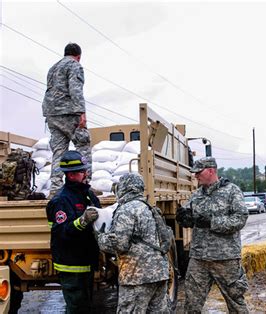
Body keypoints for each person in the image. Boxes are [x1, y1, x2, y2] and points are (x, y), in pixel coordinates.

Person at [176, 156, 249, 313]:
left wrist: (212, 222)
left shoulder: (232, 191)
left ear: (211, 171)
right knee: (191, 304)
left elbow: (240, 219)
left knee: (236, 303)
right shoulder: (196, 195)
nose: (195, 176)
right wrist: (184, 218)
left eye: (198, 172)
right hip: (199, 258)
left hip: (225, 258)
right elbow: (189, 217)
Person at [97, 173, 170, 313]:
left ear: (124, 187)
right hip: (159, 273)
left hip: (137, 276)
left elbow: (120, 244)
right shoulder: (148, 207)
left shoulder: (126, 209)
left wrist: (100, 238)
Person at [45, 150, 100, 313]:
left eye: (85, 170)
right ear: (71, 175)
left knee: (86, 307)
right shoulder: (61, 200)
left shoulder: (88, 194)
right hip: (71, 264)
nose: (86, 174)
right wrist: (82, 221)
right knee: (76, 308)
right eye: (83, 171)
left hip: (86, 261)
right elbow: (62, 232)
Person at [42, 42, 91, 197]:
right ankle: (85, 184)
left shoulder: (53, 68)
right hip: (68, 112)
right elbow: (75, 90)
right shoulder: (74, 65)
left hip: (51, 114)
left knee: (58, 151)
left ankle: (55, 189)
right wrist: (81, 113)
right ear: (78, 56)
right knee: (83, 144)